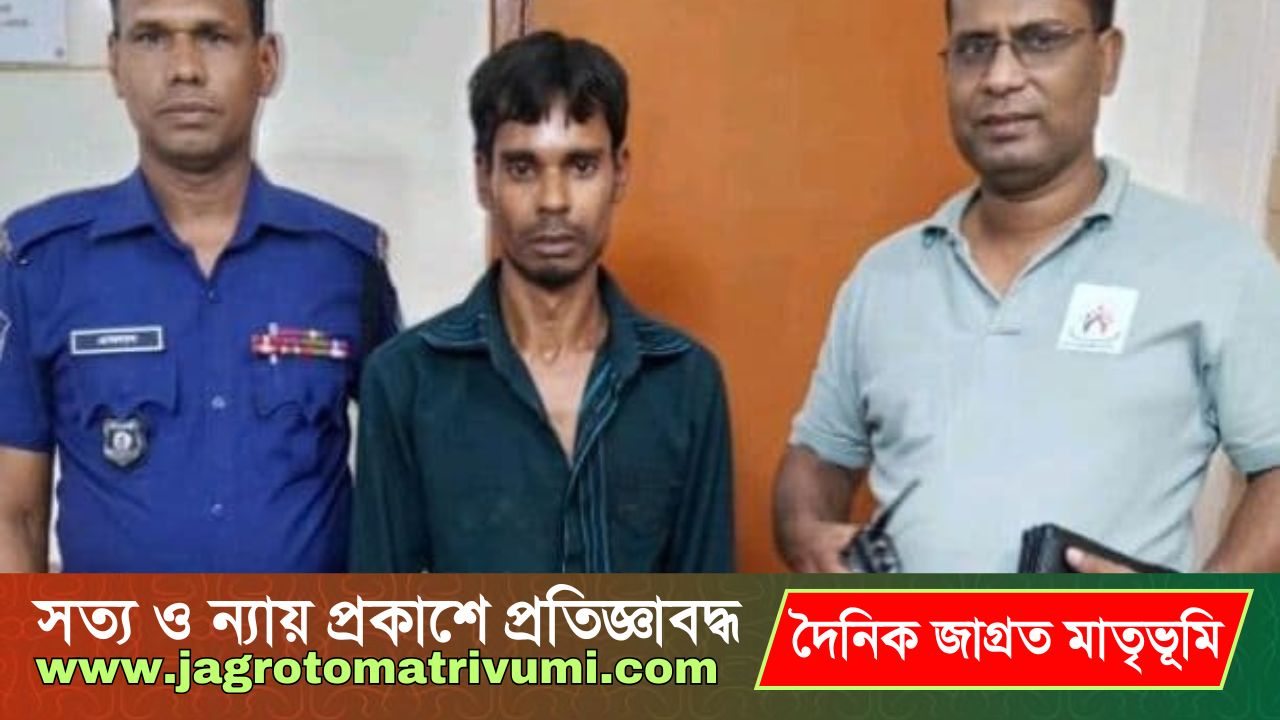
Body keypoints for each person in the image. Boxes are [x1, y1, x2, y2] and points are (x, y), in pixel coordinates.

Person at [774, 0, 1280, 573]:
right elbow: (819, 454)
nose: (1000, 77)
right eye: (974, 48)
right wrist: (804, 530)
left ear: (1107, 59)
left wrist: (1202, 614)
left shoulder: (1215, 264)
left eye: (1040, 40)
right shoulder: (884, 276)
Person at [0, 0, 400, 572]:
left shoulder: (343, 264)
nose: (184, 68)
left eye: (213, 37)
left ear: (266, 62)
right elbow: (12, 516)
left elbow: (407, 485)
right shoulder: (43, 264)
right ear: (115, 63)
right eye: (152, 38)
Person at [351, 31, 734, 573]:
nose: (553, 201)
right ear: (483, 179)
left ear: (620, 173)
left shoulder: (686, 383)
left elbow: (707, 610)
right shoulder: (405, 382)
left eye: (581, 166)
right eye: (522, 168)